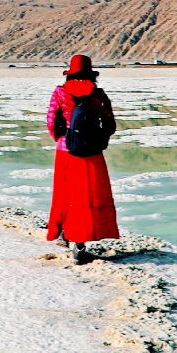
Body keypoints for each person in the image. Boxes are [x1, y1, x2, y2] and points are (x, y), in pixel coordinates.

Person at [44, 54, 119, 263]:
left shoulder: (60, 92)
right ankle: (80, 246)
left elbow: (52, 122)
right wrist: (98, 141)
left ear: (70, 74)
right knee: (88, 197)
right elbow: (110, 125)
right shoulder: (99, 95)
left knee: (65, 194)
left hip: (66, 152)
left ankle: (63, 233)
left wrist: (61, 139)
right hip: (92, 154)